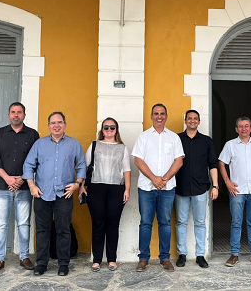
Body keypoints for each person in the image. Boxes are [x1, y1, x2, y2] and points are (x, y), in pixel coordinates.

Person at [23, 111, 86, 276]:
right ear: (48, 125)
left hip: (63, 195)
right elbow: (28, 165)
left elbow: (81, 166)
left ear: (65, 124)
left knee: (63, 230)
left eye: (59, 122)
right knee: (42, 230)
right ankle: (41, 264)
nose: (56, 125)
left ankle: (63, 264)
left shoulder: (74, 144)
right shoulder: (39, 144)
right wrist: (31, 186)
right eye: (53, 123)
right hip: (42, 194)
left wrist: (77, 185)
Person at [131, 104, 184, 272]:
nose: (159, 116)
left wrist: (165, 179)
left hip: (168, 189)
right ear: (151, 116)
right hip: (146, 188)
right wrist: (154, 179)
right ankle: (143, 259)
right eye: (156, 114)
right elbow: (138, 160)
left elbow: (179, 161)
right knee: (145, 223)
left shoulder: (174, 138)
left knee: (165, 223)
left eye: (162, 114)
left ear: (166, 116)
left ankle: (165, 258)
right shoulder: (144, 137)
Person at [0, 102, 40, 274]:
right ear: (9, 115)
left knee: (24, 224)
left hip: (25, 187)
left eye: (19, 112)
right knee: (1, 224)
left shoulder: (33, 135)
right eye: (13, 112)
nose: (16, 115)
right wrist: (9, 179)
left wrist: (21, 179)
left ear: (24, 115)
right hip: (3, 186)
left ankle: (24, 257)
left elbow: (36, 160)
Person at [218, 116, 251, 267]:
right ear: (236, 129)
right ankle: (234, 254)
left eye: (246, 126)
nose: (244, 128)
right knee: (236, 223)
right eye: (240, 126)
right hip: (237, 190)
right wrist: (227, 182)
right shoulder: (230, 145)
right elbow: (221, 163)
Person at [85, 117, 131, 272]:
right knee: (98, 224)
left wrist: (127, 189)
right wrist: (83, 187)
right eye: (106, 127)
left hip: (116, 188)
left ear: (116, 129)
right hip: (96, 188)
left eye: (112, 127)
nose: (109, 130)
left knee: (112, 224)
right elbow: (86, 167)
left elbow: (126, 170)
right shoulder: (94, 146)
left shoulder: (122, 148)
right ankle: (97, 260)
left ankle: (112, 259)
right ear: (102, 130)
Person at [175, 110, 219, 269]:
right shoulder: (177, 139)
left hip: (201, 187)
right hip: (180, 188)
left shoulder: (207, 141)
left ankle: (200, 255)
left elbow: (212, 164)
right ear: (185, 120)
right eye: (189, 118)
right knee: (181, 222)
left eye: (195, 119)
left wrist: (215, 186)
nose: (192, 121)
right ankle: (182, 254)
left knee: (200, 222)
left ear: (199, 122)